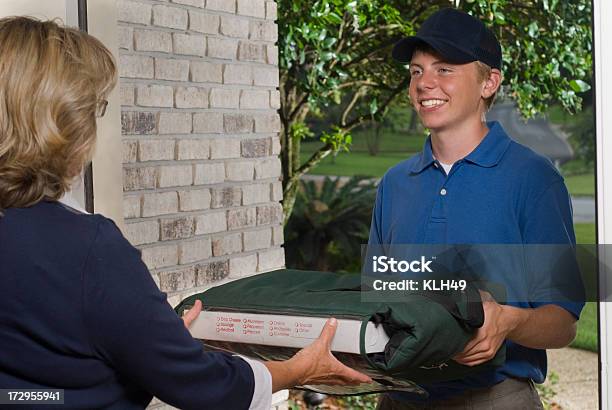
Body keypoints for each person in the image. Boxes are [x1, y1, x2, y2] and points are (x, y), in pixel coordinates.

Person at [0, 16, 371, 410]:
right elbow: (207, 387)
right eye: (93, 109)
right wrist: (298, 370)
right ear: (63, 123)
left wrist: (156, 340)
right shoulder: (88, 250)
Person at [369, 8, 583, 409]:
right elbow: (376, 300)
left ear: (489, 82)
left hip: (494, 398)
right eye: (416, 71)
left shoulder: (533, 180)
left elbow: (564, 323)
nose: (424, 83)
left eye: (445, 69)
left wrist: (508, 321)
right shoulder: (395, 185)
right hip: (399, 397)